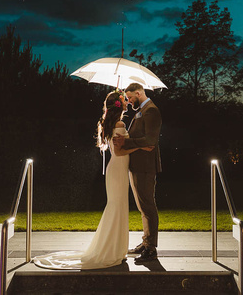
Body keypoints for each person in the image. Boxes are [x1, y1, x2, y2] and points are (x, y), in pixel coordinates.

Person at [33, 90, 152, 270]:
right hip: (118, 171)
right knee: (116, 208)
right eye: (124, 101)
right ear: (119, 105)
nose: (127, 102)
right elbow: (120, 151)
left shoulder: (109, 123)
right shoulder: (119, 123)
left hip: (116, 171)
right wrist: (141, 146)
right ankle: (111, 250)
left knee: (117, 208)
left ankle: (115, 249)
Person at [113, 82, 162, 264]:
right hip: (138, 165)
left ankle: (151, 249)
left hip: (145, 166)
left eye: (130, 97)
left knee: (148, 206)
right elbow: (142, 139)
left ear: (139, 93)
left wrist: (125, 143)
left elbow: (150, 140)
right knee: (143, 207)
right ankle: (146, 241)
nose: (128, 100)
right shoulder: (142, 110)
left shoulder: (151, 111)